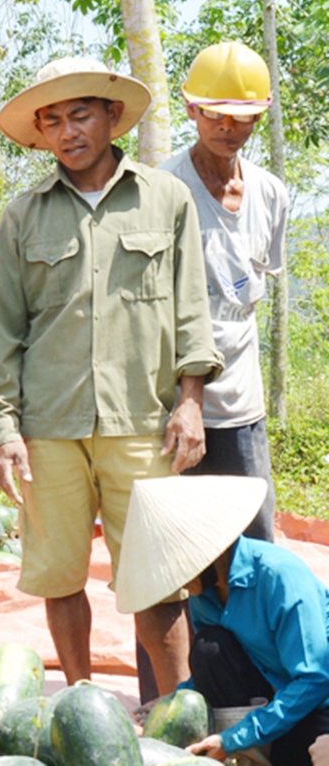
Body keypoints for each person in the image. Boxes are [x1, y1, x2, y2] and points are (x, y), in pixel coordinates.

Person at [0, 57, 224, 695]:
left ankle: (174, 713)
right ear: (42, 132)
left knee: (158, 580)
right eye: (52, 120)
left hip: (142, 421)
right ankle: (83, 701)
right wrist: (5, 428)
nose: (68, 131)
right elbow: (4, 330)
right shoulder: (22, 216)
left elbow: (191, 307)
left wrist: (190, 403)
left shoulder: (165, 199)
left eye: (80, 114)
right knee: (60, 577)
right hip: (48, 429)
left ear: (112, 115)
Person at [158, 42, 286, 543]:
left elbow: (250, 291)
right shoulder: (164, 187)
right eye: (215, 115)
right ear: (192, 110)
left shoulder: (269, 192)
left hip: (241, 400)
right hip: (173, 400)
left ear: (260, 117)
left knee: (254, 536)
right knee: (181, 543)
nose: (228, 129)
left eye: (243, 117)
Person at [117, 475, 329, 766]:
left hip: (316, 703)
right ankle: (255, 752)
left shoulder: (280, 577)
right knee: (208, 648)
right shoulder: (205, 593)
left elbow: (314, 679)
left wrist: (237, 738)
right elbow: (213, 667)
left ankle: (257, 750)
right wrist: (174, 702)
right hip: (271, 696)